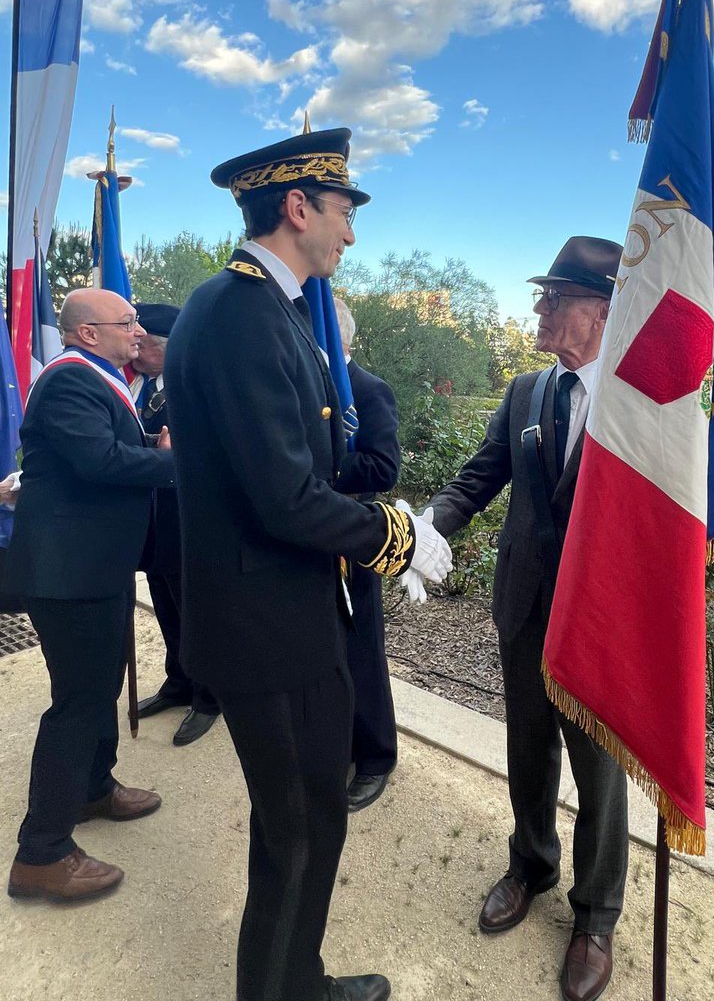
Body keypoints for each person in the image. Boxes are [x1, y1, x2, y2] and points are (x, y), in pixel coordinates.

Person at [165, 126, 452, 1001]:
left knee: (297, 822)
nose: (349, 235)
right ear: (297, 208)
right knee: (301, 827)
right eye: (341, 212)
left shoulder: (255, 307)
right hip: (272, 631)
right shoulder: (246, 315)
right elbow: (286, 498)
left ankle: (295, 979)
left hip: (272, 615)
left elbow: (292, 473)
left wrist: (370, 513)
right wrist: (392, 535)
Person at [410, 237, 629, 1001]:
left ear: (600, 312)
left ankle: (596, 915)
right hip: (526, 607)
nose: (538, 309)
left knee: (600, 773)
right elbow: (480, 474)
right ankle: (531, 864)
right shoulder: (527, 391)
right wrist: (427, 526)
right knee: (527, 749)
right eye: (541, 296)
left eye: (555, 298)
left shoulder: (645, 400)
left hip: (602, 622)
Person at [5, 288, 175, 903]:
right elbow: (100, 461)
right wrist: (172, 461)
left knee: (96, 688)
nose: (139, 330)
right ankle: (42, 854)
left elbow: (108, 450)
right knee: (78, 701)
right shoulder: (70, 380)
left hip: (90, 568)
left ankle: (93, 788)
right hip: (69, 575)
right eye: (126, 322)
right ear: (86, 334)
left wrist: (149, 441)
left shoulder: (100, 379)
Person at [131, 302, 220, 746]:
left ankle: (209, 696)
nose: (134, 344)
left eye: (141, 340)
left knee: (196, 614)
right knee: (167, 608)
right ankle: (178, 680)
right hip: (156, 522)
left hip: (188, 523)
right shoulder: (148, 387)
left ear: (165, 346)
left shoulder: (194, 388)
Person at [332, 298, 401, 812]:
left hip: (354, 536)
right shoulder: (300, 385)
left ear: (343, 340)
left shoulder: (370, 390)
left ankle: (376, 757)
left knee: (361, 650)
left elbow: (383, 469)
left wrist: (320, 470)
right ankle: (338, 744)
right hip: (309, 534)